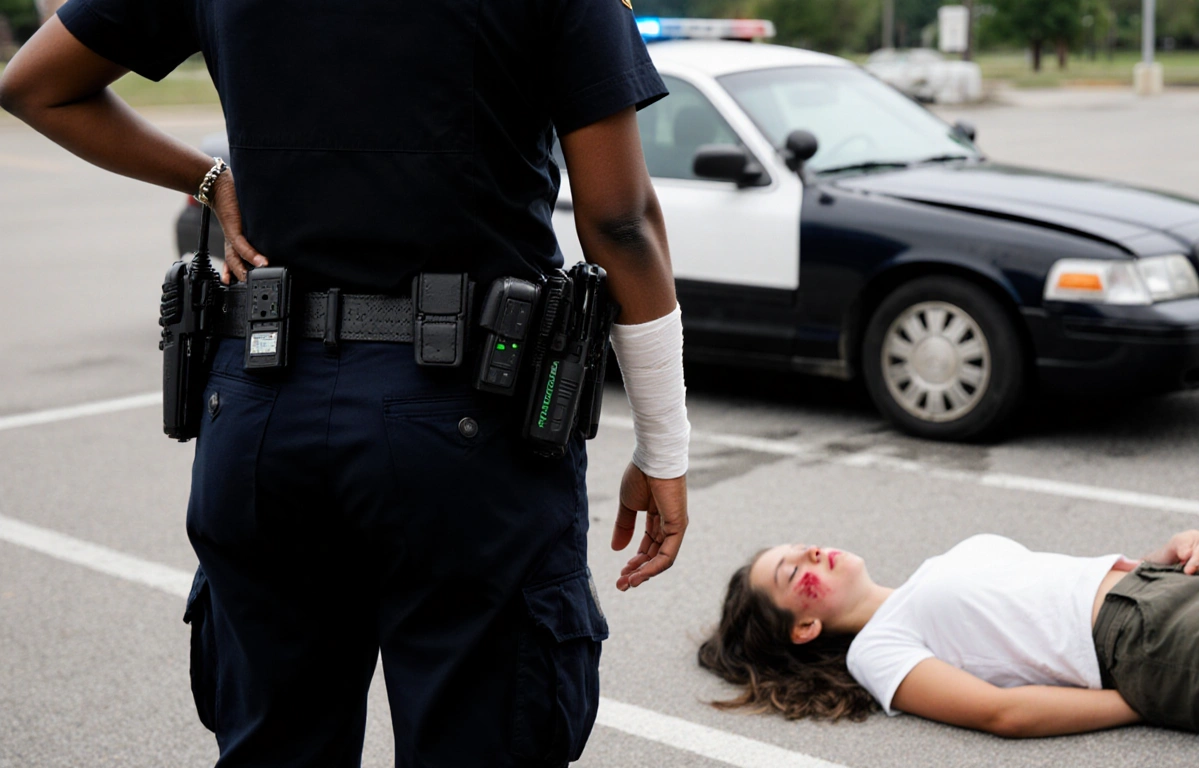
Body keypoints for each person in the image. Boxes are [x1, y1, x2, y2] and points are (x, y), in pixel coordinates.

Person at [0, 1, 690, 766]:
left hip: (262, 411)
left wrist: (208, 180)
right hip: (466, 423)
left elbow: (36, 85)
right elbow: (620, 220)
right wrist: (663, 444)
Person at [699, 530, 1199, 751]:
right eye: (793, 571)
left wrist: (1167, 555)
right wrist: (1150, 693)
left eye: (800, 544)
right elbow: (1000, 712)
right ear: (804, 627)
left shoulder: (942, 562)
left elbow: (1055, 588)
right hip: (1159, 641)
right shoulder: (878, 650)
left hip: (1176, 588)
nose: (812, 550)